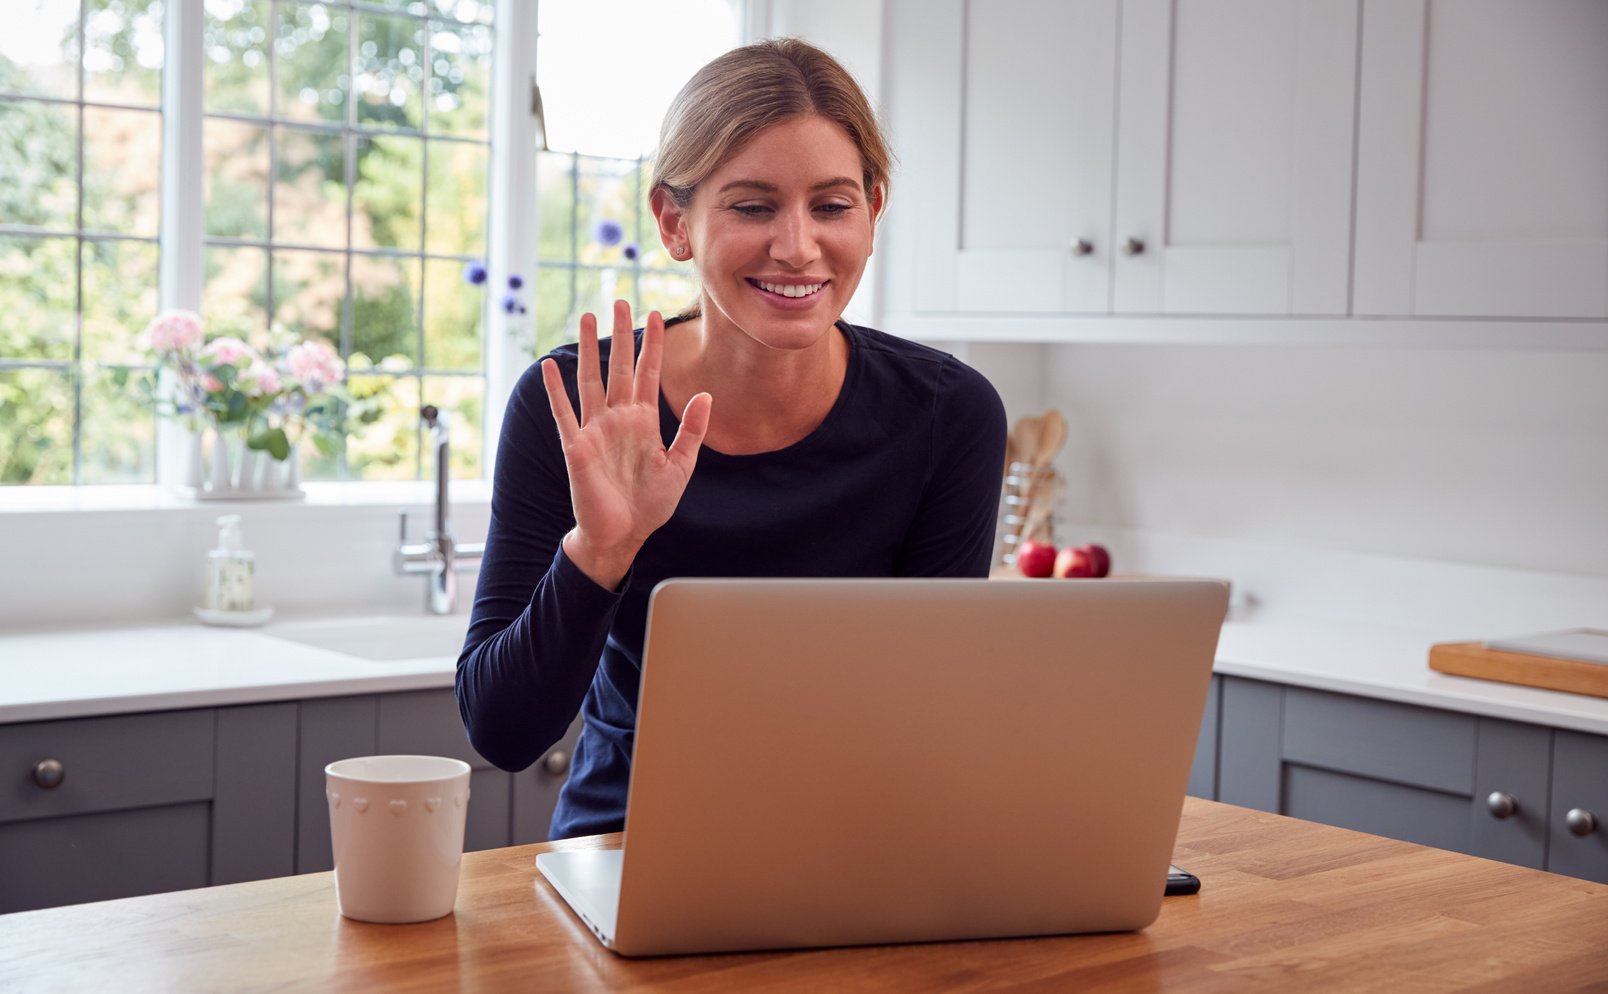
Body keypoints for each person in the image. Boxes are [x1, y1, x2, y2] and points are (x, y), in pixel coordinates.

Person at [457, 38, 1007, 840]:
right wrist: (601, 552)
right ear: (675, 221)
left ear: (874, 210)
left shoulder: (948, 415)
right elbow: (503, 734)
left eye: (832, 205)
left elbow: (932, 710)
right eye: (752, 206)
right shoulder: (576, 407)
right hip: (627, 843)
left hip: (865, 847)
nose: (796, 246)